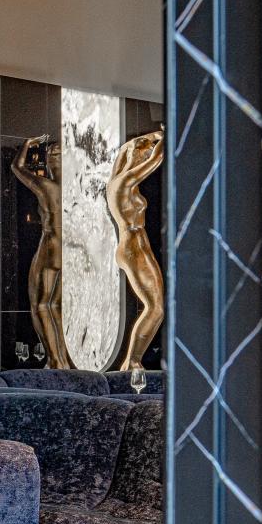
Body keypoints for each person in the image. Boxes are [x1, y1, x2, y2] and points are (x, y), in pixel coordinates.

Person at [12, 134, 75, 369]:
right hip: (69, 251)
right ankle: (64, 359)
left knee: (40, 304)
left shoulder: (48, 187)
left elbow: (17, 168)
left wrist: (27, 144)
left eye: (53, 154)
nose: (49, 157)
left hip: (51, 246)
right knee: (55, 305)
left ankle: (55, 359)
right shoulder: (77, 191)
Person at [107, 127, 165, 371]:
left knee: (155, 307)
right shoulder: (124, 181)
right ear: (135, 155)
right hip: (133, 248)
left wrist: (151, 137)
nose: (145, 157)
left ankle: (132, 361)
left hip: (134, 246)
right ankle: (131, 361)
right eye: (143, 154)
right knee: (156, 307)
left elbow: (127, 151)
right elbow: (157, 160)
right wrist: (167, 135)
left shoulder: (116, 180)